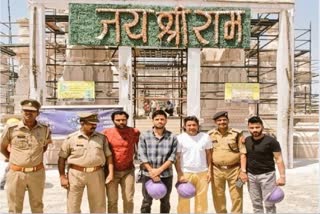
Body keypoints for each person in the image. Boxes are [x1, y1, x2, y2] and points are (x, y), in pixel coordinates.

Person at [0, 99, 52, 213]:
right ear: (21, 111)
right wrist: (13, 158)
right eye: (25, 110)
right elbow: (2, 147)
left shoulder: (45, 129)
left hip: (36, 174)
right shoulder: (11, 129)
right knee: (14, 207)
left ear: (37, 113)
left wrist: (34, 158)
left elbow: (44, 147)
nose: (28, 113)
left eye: (32, 111)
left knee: (37, 206)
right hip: (16, 174)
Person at [58, 112, 114, 213]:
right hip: (75, 174)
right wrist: (62, 176)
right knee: (73, 204)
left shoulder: (102, 138)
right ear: (82, 123)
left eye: (95, 123)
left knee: (98, 205)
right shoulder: (71, 138)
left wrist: (110, 173)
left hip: (96, 174)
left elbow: (109, 156)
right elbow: (62, 158)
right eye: (91, 123)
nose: (94, 126)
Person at [138, 109, 178, 213]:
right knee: (146, 201)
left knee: (165, 201)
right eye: (157, 119)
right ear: (152, 121)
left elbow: (172, 157)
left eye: (162, 119)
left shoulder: (172, 137)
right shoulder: (144, 136)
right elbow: (142, 154)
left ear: (166, 121)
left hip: (166, 175)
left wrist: (158, 171)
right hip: (148, 175)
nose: (159, 121)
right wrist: (151, 171)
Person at [208, 111, 248, 213]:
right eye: (219, 120)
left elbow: (243, 153)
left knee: (237, 195)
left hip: (235, 170)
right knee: (218, 196)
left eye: (224, 120)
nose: (222, 122)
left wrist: (243, 171)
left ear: (228, 121)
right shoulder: (210, 134)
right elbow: (208, 153)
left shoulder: (237, 134)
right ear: (215, 122)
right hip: (216, 170)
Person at [245, 116, 286, 213]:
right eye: (252, 128)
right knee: (256, 203)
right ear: (248, 128)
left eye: (257, 127)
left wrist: (282, 177)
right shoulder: (246, 140)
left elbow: (279, 159)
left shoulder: (271, 141)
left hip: (267, 176)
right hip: (251, 176)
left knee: (269, 203)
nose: (254, 130)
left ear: (262, 127)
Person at [103, 110, 140, 213]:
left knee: (128, 199)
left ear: (127, 120)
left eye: (123, 120)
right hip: (111, 172)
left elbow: (140, 149)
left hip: (128, 171)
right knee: (112, 201)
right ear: (113, 120)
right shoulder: (106, 133)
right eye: (118, 120)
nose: (121, 122)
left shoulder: (134, 132)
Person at [175, 116, 212, 213]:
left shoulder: (205, 137)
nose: (192, 127)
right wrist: (179, 174)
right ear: (184, 126)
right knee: (183, 200)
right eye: (189, 125)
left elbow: (209, 155)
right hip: (185, 173)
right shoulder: (180, 138)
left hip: (202, 172)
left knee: (202, 199)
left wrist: (209, 171)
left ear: (198, 126)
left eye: (194, 125)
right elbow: (177, 158)